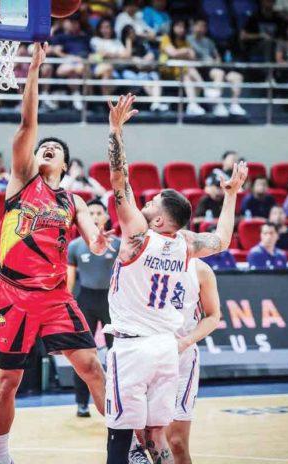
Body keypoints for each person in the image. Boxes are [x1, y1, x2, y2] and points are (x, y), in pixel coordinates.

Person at [104, 93, 247, 464]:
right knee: (157, 438)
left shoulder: (137, 234)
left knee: (120, 436)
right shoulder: (185, 245)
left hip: (134, 346)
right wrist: (230, 197)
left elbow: (119, 179)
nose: (145, 203)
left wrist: (116, 131)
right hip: (167, 348)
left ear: (158, 220)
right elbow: (224, 240)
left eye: (152, 204)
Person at [0, 43, 113, 464]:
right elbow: (27, 125)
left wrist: (97, 241)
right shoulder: (22, 182)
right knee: (8, 381)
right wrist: (34, 70)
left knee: (93, 368)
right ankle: (1, 455)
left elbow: (94, 236)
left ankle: (125, 447)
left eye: (55, 149)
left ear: (66, 165)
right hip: (14, 293)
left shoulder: (72, 201)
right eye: (44, 147)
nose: (46, 148)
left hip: (56, 296)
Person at [164, 258, 222, 464]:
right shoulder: (139, 259)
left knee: (177, 443)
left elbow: (214, 315)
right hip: (144, 357)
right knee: (141, 442)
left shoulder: (200, 269)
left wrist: (186, 341)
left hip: (182, 357)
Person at [67, 199, 120, 418]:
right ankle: (81, 402)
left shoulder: (117, 244)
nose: (96, 216)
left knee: (118, 355)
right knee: (82, 354)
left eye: (99, 212)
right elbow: (70, 280)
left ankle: (118, 400)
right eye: (91, 213)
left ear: (107, 217)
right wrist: (67, 304)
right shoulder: (75, 246)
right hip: (85, 300)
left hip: (111, 303)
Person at [188, 18, 247, 117]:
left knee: (237, 77)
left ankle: (234, 105)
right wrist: (204, 61)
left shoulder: (208, 41)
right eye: (199, 25)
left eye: (204, 26)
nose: (201, 28)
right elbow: (190, 56)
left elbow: (217, 57)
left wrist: (215, 61)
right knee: (219, 73)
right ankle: (217, 104)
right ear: (193, 27)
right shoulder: (188, 39)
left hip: (212, 67)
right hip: (199, 68)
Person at [159, 19, 206, 116]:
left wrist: (182, 52)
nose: (182, 29)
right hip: (168, 71)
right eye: (179, 26)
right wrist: (185, 51)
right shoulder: (166, 38)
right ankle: (205, 89)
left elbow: (192, 57)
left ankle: (192, 105)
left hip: (183, 71)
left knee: (188, 77)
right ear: (173, 27)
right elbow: (173, 53)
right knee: (190, 71)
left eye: (183, 27)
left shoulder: (185, 41)